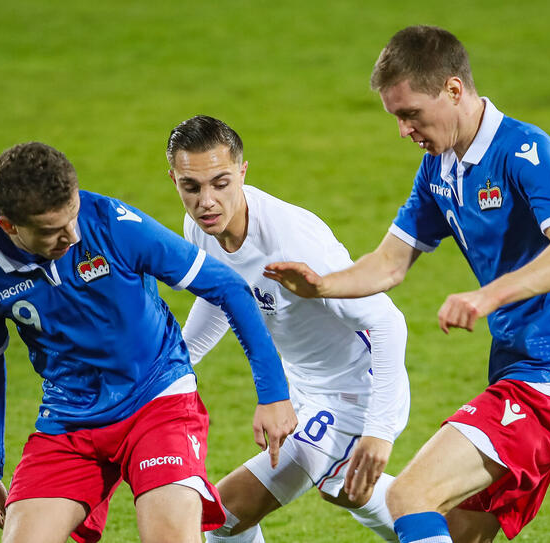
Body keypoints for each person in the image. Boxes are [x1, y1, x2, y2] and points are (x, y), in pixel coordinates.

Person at [264, 25, 550, 543]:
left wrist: (487, 295)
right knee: (459, 531)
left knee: (409, 496)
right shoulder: (439, 169)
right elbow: (390, 263)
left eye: (410, 114)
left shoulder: (525, 151)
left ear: (452, 90)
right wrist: (321, 285)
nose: (404, 130)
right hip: (516, 371)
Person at [0, 141, 297, 543]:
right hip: (69, 419)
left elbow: (229, 288)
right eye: (51, 231)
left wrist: (272, 393)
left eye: (73, 216)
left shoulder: (112, 223)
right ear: (9, 226)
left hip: (158, 401)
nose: (72, 236)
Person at [166, 115, 411, 542]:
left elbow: (388, 322)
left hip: (356, 387)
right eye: (192, 187)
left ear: (243, 171)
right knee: (345, 489)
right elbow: (222, 298)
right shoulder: (203, 227)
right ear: (174, 179)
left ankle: (436, 521)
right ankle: (438, 525)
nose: (207, 201)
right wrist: (167, 371)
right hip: (304, 384)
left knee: (222, 517)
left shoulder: (291, 243)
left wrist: (379, 430)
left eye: (221, 183)